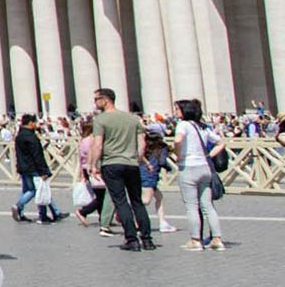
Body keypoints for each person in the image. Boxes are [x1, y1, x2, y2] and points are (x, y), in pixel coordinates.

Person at [90, 88, 155, 251]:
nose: (95, 103)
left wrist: (93, 165)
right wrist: (137, 159)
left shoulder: (100, 119)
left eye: (97, 99)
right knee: (137, 202)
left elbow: (97, 145)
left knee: (120, 202)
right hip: (131, 164)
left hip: (111, 164)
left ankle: (132, 239)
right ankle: (147, 239)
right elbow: (142, 145)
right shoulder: (133, 119)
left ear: (105, 100)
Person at [169, 99, 226, 251]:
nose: (175, 112)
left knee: (191, 206)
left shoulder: (183, 125)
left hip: (189, 167)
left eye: (177, 109)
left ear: (184, 111)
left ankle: (195, 240)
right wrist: (209, 155)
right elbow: (221, 142)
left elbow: (178, 140)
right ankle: (217, 239)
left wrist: (177, 153)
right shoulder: (203, 127)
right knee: (207, 205)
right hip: (205, 167)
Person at [11, 114, 58, 223]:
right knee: (37, 190)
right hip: (33, 168)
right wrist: (43, 170)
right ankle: (20, 206)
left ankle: (22, 212)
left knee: (28, 190)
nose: (36, 125)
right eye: (35, 123)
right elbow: (37, 155)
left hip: (23, 167)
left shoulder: (19, 136)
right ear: (31, 123)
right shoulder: (31, 138)